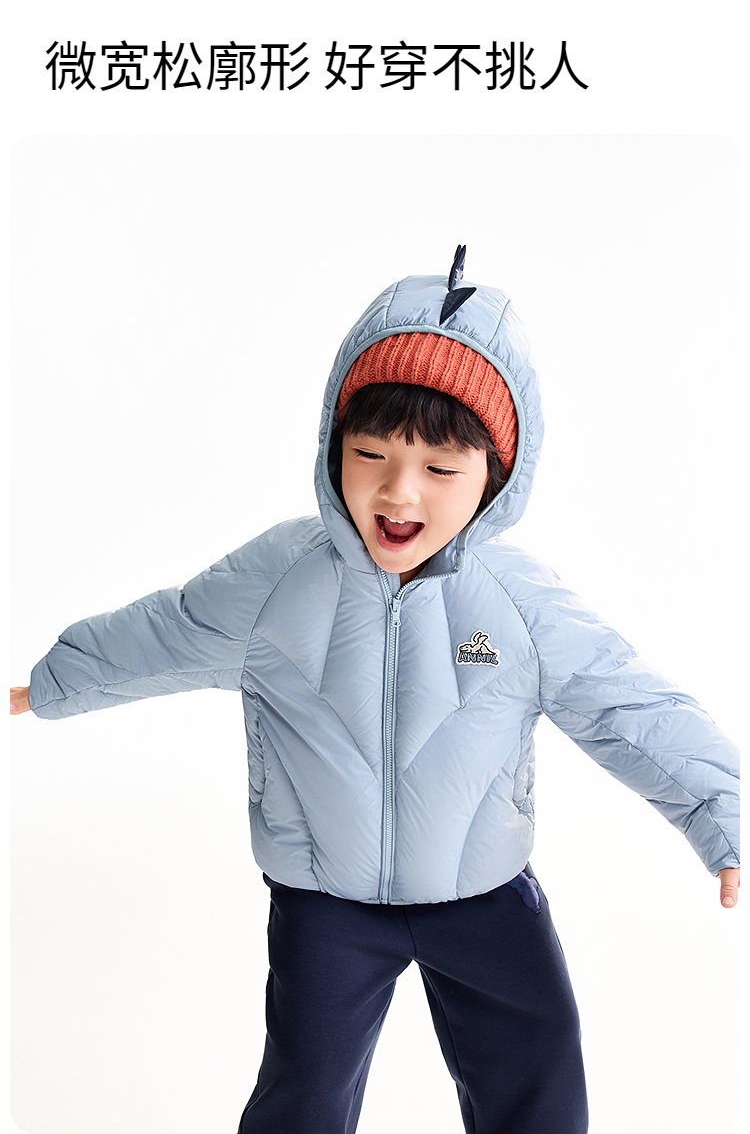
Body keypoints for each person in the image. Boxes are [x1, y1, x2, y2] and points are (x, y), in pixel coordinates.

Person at [10, 247, 740, 1134]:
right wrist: (47, 683)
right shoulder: (282, 578)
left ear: (495, 476)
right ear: (334, 449)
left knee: (539, 1063)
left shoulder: (517, 604)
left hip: (482, 891)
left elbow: (628, 706)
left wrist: (723, 813)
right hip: (326, 898)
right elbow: (167, 632)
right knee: (306, 1088)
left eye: (441, 469)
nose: (399, 492)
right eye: (370, 454)